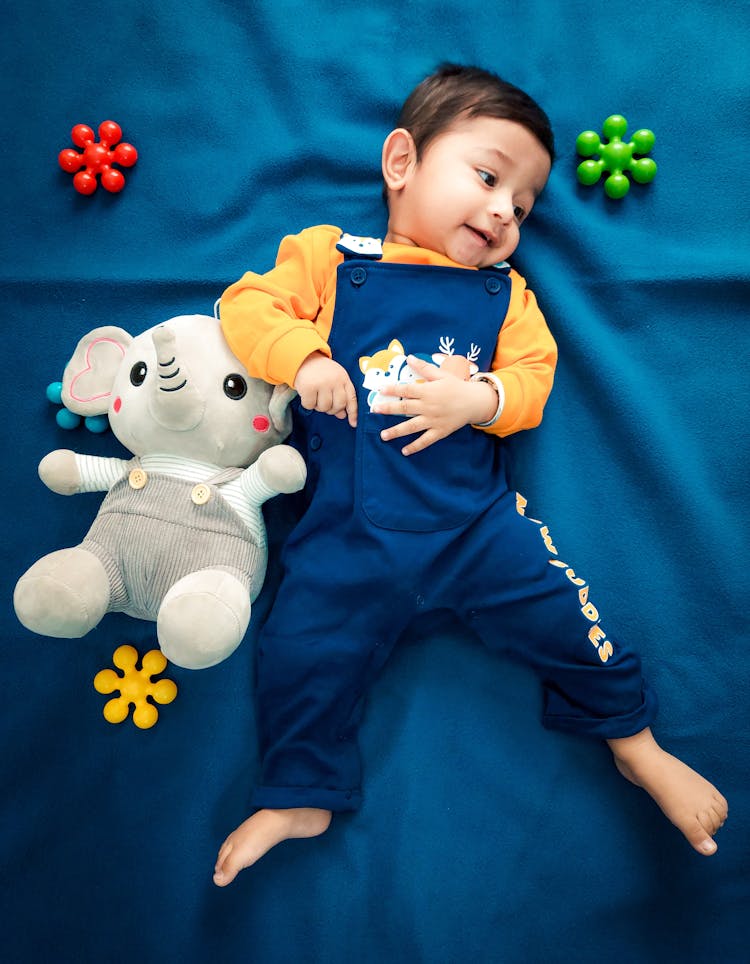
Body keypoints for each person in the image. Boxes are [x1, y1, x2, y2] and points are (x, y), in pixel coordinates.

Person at [212, 63, 727, 886]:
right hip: (348, 535)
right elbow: (246, 306)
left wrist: (480, 396)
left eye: (522, 207)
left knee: (568, 614)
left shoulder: (503, 295)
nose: (502, 211)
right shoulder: (332, 258)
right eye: (487, 177)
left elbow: (534, 378)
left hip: (476, 527)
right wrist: (304, 357)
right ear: (402, 163)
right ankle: (301, 790)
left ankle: (636, 744)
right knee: (301, 648)